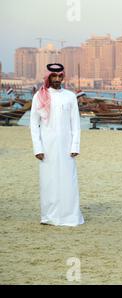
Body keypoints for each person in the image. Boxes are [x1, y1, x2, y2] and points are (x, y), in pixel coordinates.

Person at [30, 63, 84, 226]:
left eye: (60, 76)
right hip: (47, 147)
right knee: (49, 181)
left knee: (69, 181)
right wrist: (37, 148)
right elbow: (34, 124)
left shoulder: (69, 96)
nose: (57, 79)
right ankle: (49, 216)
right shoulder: (39, 97)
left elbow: (75, 123)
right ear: (48, 77)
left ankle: (70, 216)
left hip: (67, 146)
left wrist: (75, 146)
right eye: (54, 76)